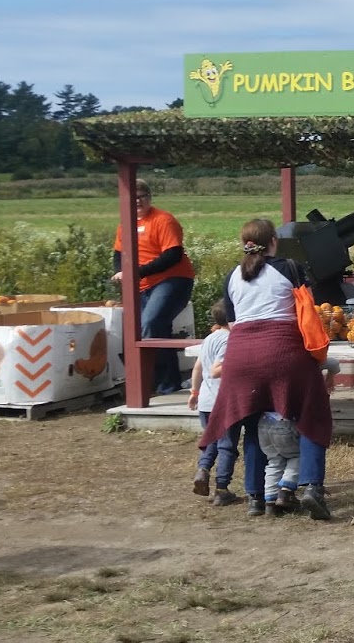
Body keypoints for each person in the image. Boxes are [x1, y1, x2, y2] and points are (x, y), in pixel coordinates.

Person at [200, 219, 334, 520]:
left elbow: (232, 324)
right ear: (274, 240)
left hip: (240, 357)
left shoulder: (232, 276)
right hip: (283, 351)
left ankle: (257, 498)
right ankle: (312, 488)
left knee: (251, 421)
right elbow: (307, 309)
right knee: (311, 413)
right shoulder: (290, 267)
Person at [111, 179, 196, 395]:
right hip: (141, 284)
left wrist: (137, 272)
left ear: (149, 198)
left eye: (142, 196)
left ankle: (163, 386)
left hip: (173, 279)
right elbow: (119, 253)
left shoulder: (163, 220)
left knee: (151, 323)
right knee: (146, 330)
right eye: (134, 197)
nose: (138, 201)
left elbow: (173, 254)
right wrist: (121, 272)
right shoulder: (125, 224)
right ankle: (163, 383)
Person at [188, 299, 239, 507]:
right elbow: (216, 370)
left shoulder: (209, 338)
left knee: (212, 440)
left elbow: (198, 368)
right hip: (223, 402)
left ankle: (203, 469)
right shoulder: (229, 340)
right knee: (227, 446)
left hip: (206, 402)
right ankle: (222, 488)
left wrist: (194, 391)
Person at [258, 411, 302, 517]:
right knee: (297, 456)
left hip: (264, 422)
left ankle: (270, 501)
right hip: (285, 422)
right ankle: (286, 491)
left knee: (274, 461)